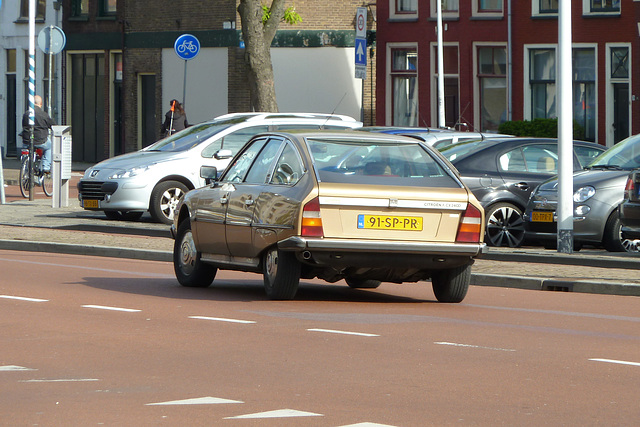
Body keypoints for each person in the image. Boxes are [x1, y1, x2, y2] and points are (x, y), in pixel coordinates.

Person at [21, 94, 54, 172]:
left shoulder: (26, 114)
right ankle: (46, 166)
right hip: (41, 140)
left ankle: (25, 167)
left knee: (27, 151)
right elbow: (52, 125)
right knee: (49, 147)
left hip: (27, 140)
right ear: (41, 104)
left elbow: (24, 125)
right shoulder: (44, 115)